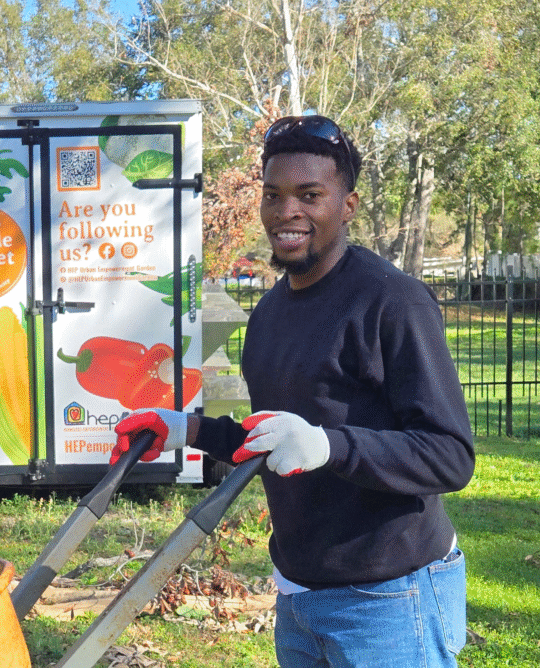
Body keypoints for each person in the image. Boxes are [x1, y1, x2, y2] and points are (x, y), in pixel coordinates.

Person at [111, 115, 475, 667]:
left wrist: (330, 446)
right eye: (273, 195)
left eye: (310, 194)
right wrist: (185, 429)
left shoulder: (391, 302)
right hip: (299, 592)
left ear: (348, 204)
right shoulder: (270, 315)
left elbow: (450, 456)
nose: (287, 212)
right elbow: (277, 440)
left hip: (389, 598)